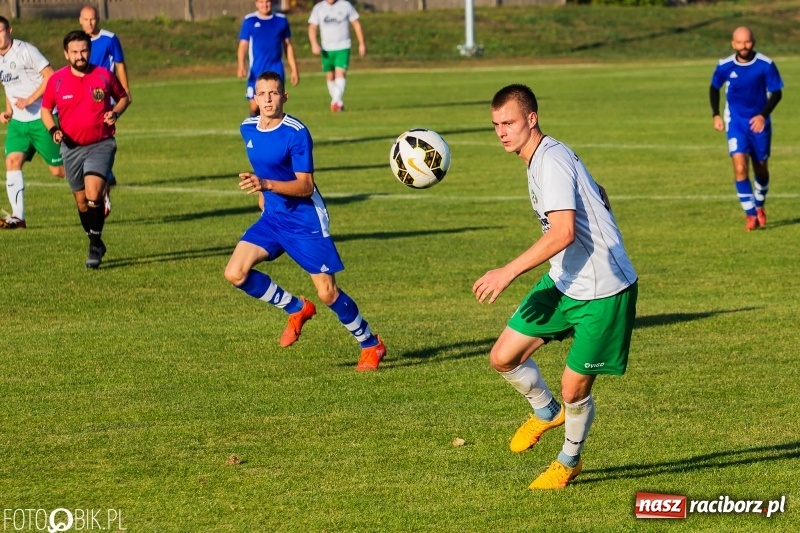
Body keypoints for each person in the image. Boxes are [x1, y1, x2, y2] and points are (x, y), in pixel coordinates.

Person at [473, 84, 638, 490]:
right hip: (565, 280)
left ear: (532, 118)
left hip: (604, 290)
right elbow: (599, 192)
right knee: (503, 356)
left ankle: (569, 461)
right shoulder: (541, 157)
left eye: (509, 122)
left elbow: (563, 232)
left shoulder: (549, 161)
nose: (502, 132)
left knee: (573, 386)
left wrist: (507, 272)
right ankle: (545, 412)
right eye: (496, 125)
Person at [224, 71, 386, 371]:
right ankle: (296, 308)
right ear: (254, 98)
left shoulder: (296, 132)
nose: (268, 99)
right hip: (273, 218)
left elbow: (306, 186)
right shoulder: (247, 128)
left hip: (305, 220)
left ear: (285, 96)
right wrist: (262, 193)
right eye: (262, 94)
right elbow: (262, 165)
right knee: (235, 273)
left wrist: (266, 185)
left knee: (328, 293)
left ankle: (370, 344)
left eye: (274, 93)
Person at [41, 30, 129, 269]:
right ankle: (96, 241)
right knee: (81, 202)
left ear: (89, 51)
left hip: (101, 144)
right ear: (66, 53)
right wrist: (53, 131)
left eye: (84, 51)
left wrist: (116, 112)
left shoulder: (103, 76)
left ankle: (94, 246)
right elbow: (46, 110)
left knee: (93, 193)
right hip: (71, 148)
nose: (80, 56)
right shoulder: (56, 80)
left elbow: (123, 97)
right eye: (75, 52)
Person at [710, 26, 783, 231]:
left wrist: (762, 115)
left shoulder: (765, 65)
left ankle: (759, 205)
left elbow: (777, 93)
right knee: (740, 167)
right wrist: (716, 114)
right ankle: (751, 215)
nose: (744, 46)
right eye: (740, 42)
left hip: (759, 124)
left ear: (754, 42)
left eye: (747, 42)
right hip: (736, 123)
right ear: (733, 44)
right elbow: (714, 88)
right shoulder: (724, 65)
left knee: (761, 168)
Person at [0, 16, 65, 229]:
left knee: (58, 171)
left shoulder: (25, 50)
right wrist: (8, 111)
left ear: (9, 30)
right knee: (11, 162)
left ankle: (98, 185)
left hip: (42, 118)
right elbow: (8, 85)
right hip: (19, 123)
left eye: (1, 31)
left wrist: (30, 99)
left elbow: (51, 76)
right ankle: (18, 218)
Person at [79, 4, 131, 218]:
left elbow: (119, 64)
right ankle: (106, 175)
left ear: (98, 19)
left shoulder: (109, 39)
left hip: (103, 98)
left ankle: (104, 189)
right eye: (86, 19)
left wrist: (125, 90)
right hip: (81, 99)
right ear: (80, 20)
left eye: (93, 19)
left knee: (100, 140)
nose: (90, 23)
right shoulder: (77, 41)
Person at [237, 0, 299, 117]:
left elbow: (288, 45)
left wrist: (294, 69)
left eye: (267, 2)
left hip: (276, 69)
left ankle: (271, 133)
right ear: (256, 3)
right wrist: (241, 65)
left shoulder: (281, 20)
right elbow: (243, 45)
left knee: (274, 106)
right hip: (257, 70)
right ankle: (255, 132)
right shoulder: (249, 20)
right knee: (255, 106)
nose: (265, 5)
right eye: (261, 2)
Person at [307, 0, 366, 112]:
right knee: (330, 76)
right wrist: (314, 43)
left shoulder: (345, 5)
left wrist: (361, 43)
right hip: (326, 48)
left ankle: (334, 102)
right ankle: (338, 102)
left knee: (341, 72)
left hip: (343, 46)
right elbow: (312, 27)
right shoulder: (318, 8)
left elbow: (356, 24)